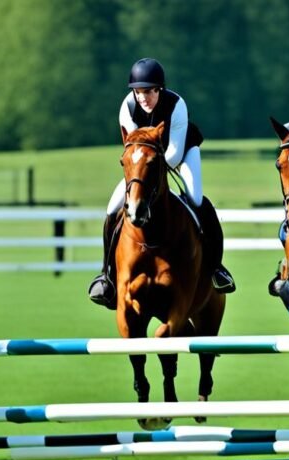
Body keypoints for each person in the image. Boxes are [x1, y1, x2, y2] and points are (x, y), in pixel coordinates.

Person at [88, 58, 236, 307]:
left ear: (160, 89)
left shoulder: (176, 105)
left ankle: (216, 268)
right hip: (144, 162)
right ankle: (107, 275)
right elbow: (132, 145)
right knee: (112, 209)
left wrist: (152, 167)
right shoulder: (127, 106)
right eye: (138, 91)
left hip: (180, 153)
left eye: (148, 91)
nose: (143, 97)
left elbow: (175, 153)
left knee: (196, 199)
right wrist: (143, 169)